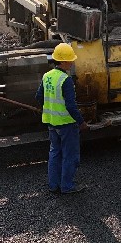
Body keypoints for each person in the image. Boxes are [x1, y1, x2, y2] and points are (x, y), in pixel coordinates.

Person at [35, 43, 86, 194]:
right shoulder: (66, 80)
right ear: (63, 61)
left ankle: (53, 185)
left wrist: (50, 107)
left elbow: (39, 97)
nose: (72, 62)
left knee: (55, 153)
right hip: (66, 124)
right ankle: (67, 186)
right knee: (70, 155)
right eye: (70, 60)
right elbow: (71, 106)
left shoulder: (47, 76)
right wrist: (81, 122)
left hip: (51, 123)